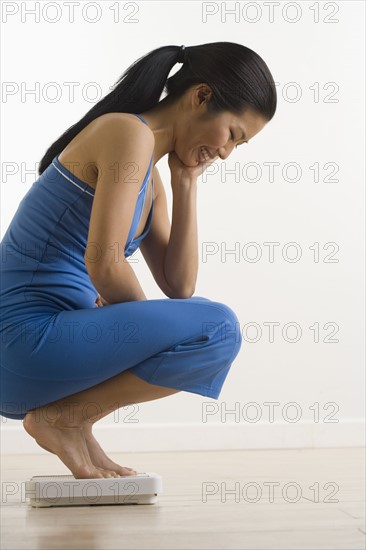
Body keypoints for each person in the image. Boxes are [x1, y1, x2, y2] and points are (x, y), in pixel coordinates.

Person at [0, 42, 276, 479]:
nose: (227, 154)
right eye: (234, 135)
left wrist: (185, 182)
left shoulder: (151, 178)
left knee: (209, 324)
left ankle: (74, 418)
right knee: (216, 326)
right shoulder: (126, 134)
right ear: (201, 96)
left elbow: (179, 286)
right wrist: (139, 330)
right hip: (22, 340)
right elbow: (105, 265)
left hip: (44, 354)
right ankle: (65, 419)